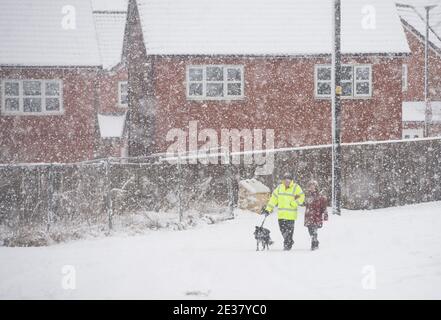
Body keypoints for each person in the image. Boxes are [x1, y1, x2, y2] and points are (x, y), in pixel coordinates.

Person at [262, 172, 305, 251]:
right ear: (283, 180)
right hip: (281, 215)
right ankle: (289, 241)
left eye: (288, 180)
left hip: (291, 215)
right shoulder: (279, 188)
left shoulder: (296, 187)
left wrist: (294, 203)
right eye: (285, 180)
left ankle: (287, 245)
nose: (286, 181)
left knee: (289, 232)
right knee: (283, 231)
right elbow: (273, 200)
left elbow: (302, 197)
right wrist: (268, 209)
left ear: (291, 180)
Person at [304, 180, 328, 251]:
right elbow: (303, 203)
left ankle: (314, 243)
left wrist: (325, 214)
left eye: (313, 186)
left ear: (316, 187)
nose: (312, 188)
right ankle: (315, 241)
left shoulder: (320, 196)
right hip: (308, 216)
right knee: (310, 230)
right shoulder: (307, 196)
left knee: (314, 230)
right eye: (310, 186)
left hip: (317, 216)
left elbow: (324, 207)